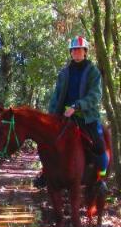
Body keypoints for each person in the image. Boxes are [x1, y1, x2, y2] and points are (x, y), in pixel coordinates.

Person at [35, 35, 108, 188]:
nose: (76, 52)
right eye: (73, 50)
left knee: (100, 145)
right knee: (48, 143)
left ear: (85, 51)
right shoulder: (64, 73)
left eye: (79, 49)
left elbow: (95, 95)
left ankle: (101, 179)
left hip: (87, 116)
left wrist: (77, 106)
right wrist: (51, 116)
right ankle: (45, 172)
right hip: (65, 116)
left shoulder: (93, 72)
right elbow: (56, 96)